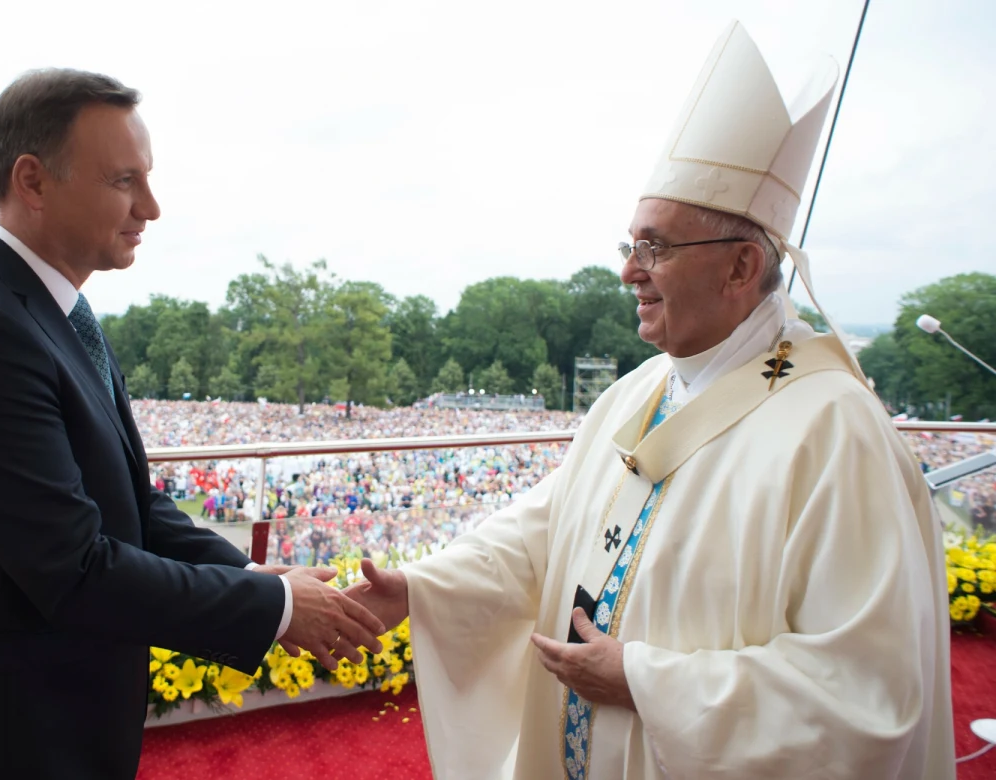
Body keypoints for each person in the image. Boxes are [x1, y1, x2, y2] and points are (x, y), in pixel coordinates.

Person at [346, 21, 954, 779]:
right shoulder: (639, 390)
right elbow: (552, 526)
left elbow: (864, 696)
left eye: (656, 248)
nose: (629, 270)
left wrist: (643, 681)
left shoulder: (834, 431)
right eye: (629, 245)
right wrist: (423, 586)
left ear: (741, 267)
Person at [0, 69, 383, 780]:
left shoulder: (51, 310)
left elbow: (126, 500)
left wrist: (248, 573)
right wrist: (274, 606)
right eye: (124, 180)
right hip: (4, 738)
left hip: (56, 721)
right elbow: (75, 568)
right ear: (32, 181)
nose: (151, 206)